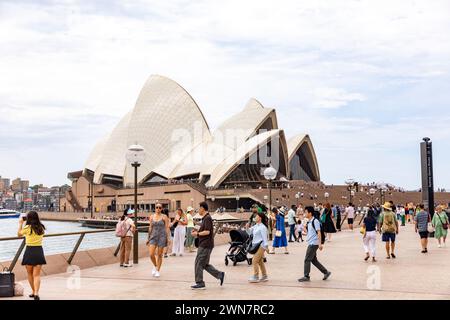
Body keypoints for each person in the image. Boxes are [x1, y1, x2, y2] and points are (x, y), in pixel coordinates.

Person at [191, 202, 225, 290]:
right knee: (204, 264)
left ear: (202, 208)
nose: (198, 210)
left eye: (199, 208)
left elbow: (207, 232)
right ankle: (219, 274)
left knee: (198, 263)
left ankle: (200, 283)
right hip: (206, 244)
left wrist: (197, 234)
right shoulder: (206, 218)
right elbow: (206, 230)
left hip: (205, 245)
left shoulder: (207, 218)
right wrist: (198, 229)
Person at [17, 211, 46, 300]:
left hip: (29, 251)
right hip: (39, 251)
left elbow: (18, 234)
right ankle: (36, 293)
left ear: (28, 218)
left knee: (30, 273)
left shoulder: (27, 228)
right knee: (36, 275)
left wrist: (20, 223)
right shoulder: (41, 228)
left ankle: (33, 291)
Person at [298, 206, 331, 282]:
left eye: (306, 212)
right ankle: (326, 272)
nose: (305, 213)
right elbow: (311, 233)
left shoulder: (315, 221)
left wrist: (320, 244)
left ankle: (306, 276)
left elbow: (319, 232)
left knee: (307, 259)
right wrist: (304, 230)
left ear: (310, 213)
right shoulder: (309, 221)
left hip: (314, 243)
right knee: (313, 260)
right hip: (311, 242)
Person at [146, 204, 171, 278]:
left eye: (160, 207)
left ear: (161, 209)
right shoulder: (151, 216)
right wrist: (148, 238)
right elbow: (150, 227)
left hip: (162, 236)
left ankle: (157, 270)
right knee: (151, 254)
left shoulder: (164, 217)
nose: (158, 209)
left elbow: (167, 228)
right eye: (157, 207)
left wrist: (168, 238)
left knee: (160, 255)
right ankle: (155, 265)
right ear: (155, 208)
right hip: (153, 236)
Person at [246, 211, 269, 283]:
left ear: (260, 218)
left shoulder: (263, 227)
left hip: (261, 246)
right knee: (260, 261)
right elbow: (249, 233)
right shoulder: (256, 226)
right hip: (256, 245)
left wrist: (266, 247)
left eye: (256, 216)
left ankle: (256, 276)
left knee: (254, 260)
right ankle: (264, 276)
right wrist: (247, 227)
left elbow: (265, 238)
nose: (255, 217)